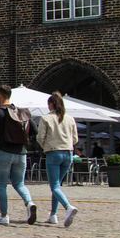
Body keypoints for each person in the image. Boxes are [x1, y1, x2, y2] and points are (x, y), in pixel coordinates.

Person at [0, 86, 37, 226]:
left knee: (1, 184)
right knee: (19, 183)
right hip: (21, 153)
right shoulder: (22, 112)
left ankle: (4, 215)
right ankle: (29, 203)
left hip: (4, 152)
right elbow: (35, 130)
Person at [35, 91, 79, 227]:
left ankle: (68, 207)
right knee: (57, 186)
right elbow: (75, 138)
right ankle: (53, 215)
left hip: (53, 153)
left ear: (51, 104)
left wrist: (46, 147)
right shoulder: (70, 118)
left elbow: (39, 137)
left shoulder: (46, 118)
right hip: (68, 153)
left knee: (54, 186)